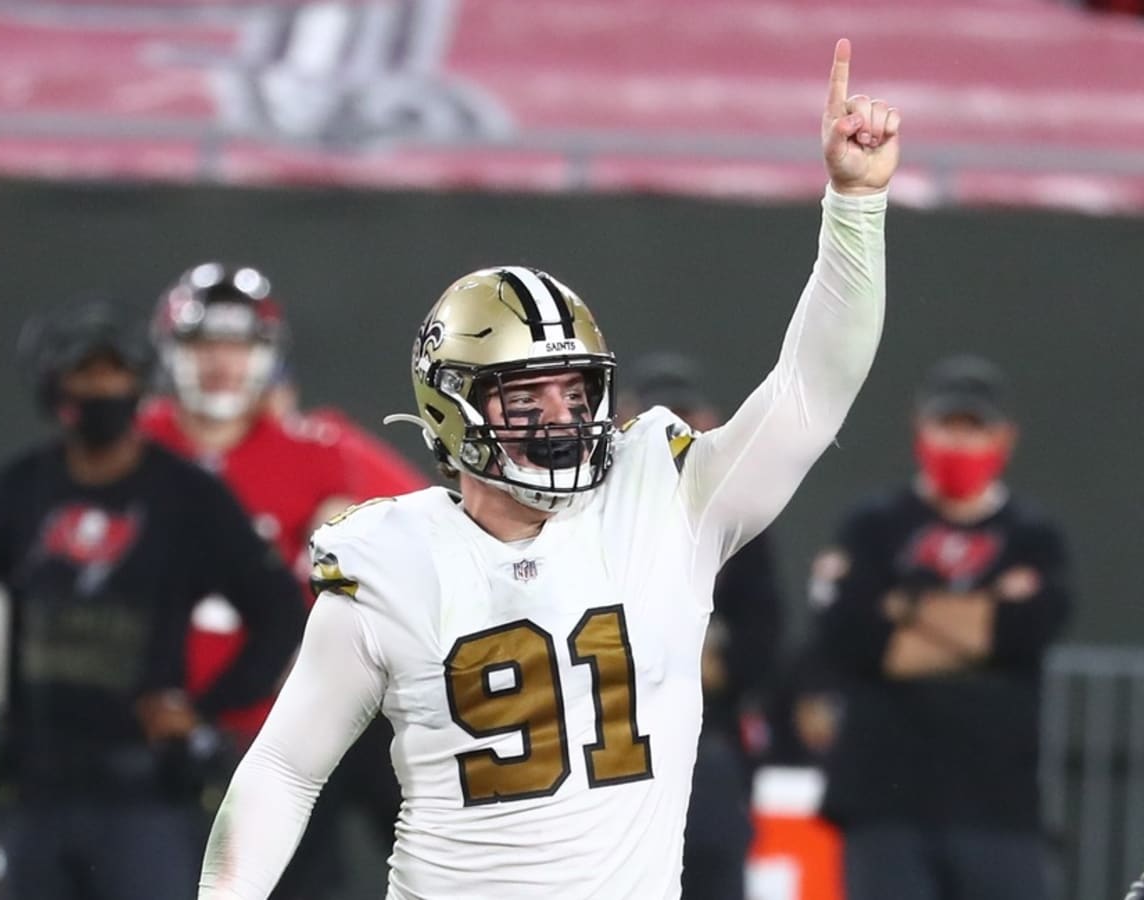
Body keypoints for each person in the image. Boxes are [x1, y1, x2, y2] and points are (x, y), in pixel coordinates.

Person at [199, 37, 898, 899]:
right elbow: (284, 772)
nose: (562, 417)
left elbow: (811, 392)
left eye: (575, 391)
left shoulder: (663, 502)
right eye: (528, 396)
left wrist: (856, 205)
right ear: (454, 408)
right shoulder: (394, 558)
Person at [0, 298, 306, 900]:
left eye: (114, 373)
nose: (101, 389)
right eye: (85, 374)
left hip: (142, 797)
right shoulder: (20, 488)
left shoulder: (185, 495)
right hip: (37, 790)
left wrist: (206, 709)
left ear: (138, 383)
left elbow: (280, 609)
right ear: (55, 387)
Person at [141, 263, 428, 898]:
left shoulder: (318, 452)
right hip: (155, 742)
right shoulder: (135, 449)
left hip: (287, 732)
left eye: (238, 345)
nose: (221, 362)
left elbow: (435, 526)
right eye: (203, 344)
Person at [806, 354, 1072, 900]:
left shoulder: (1035, 536)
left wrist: (905, 609)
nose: (958, 442)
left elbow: (1026, 634)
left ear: (1005, 438)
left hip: (998, 804)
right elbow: (851, 639)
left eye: (974, 429)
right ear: (919, 427)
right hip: (885, 803)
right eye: (948, 425)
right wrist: (984, 614)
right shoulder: (872, 523)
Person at [621, 351, 784, 900]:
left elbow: (761, 641)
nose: (674, 429)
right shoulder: (601, 516)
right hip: (617, 753)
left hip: (706, 745)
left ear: (710, 420)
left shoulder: (738, 518)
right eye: (657, 416)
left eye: (684, 414)